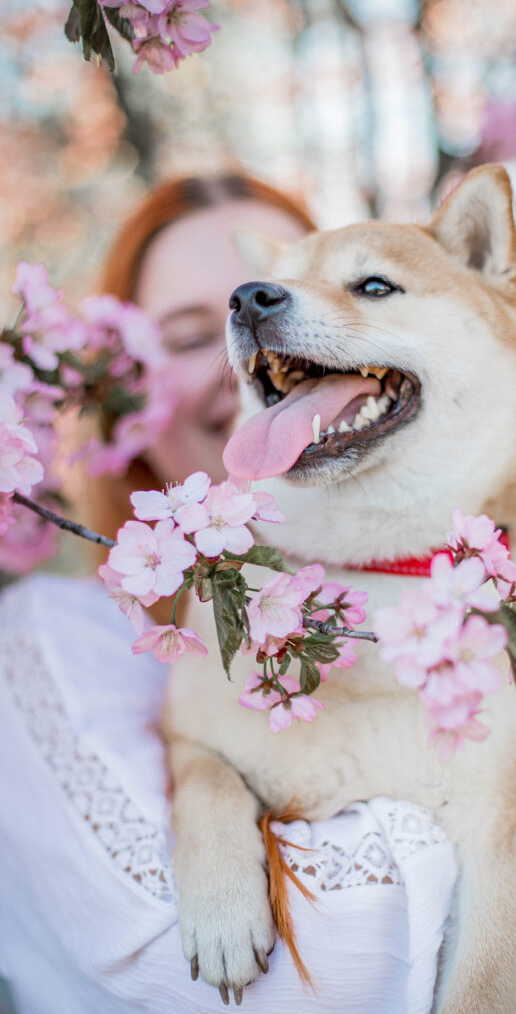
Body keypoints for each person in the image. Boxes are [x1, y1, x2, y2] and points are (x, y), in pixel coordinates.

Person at [0, 174, 465, 1014]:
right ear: (119, 392)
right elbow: (322, 972)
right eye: (188, 335)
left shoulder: (452, 601)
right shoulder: (52, 637)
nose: (255, 352)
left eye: (294, 297)